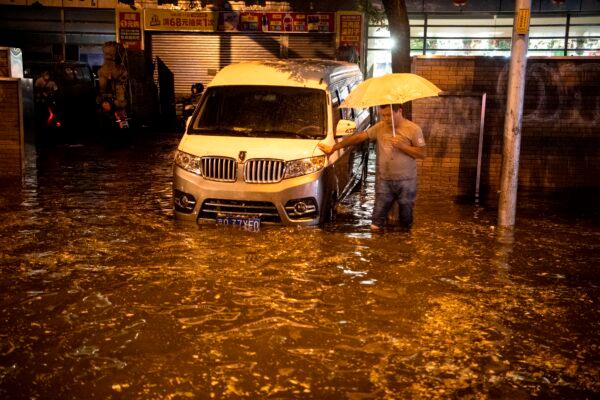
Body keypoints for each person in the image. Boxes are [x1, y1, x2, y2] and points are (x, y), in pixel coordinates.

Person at [318, 104, 426, 231]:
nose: (386, 119)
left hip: (406, 180)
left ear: (399, 111)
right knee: (377, 219)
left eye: (389, 115)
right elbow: (360, 137)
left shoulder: (413, 129)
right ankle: (379, 244)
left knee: (406, 215)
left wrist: (403, 146)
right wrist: (335, 147)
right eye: (383, 115)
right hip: (384, 180)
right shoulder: (380, 127)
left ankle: (403, 242)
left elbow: (422, 153)